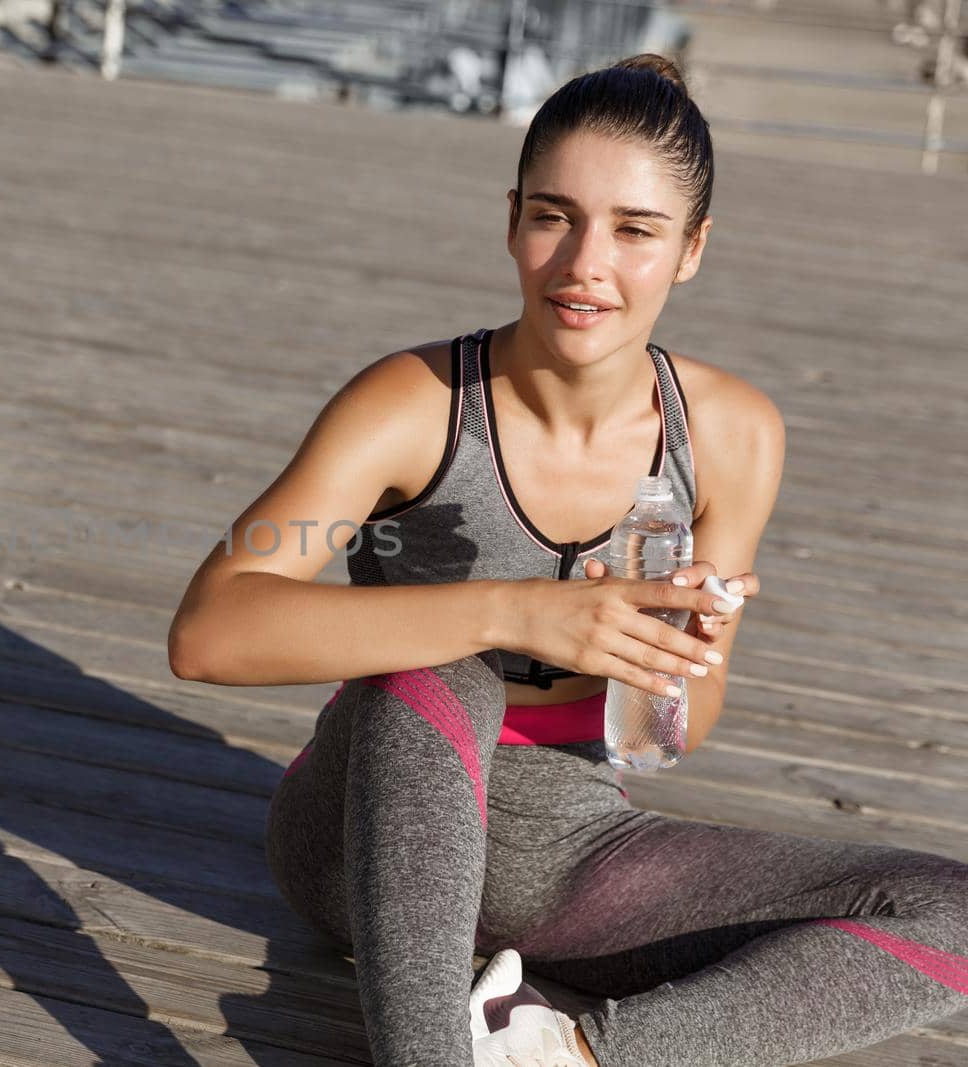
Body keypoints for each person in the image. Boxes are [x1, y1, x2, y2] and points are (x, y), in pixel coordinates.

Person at [167, 53, 968, 1067]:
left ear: (691, 248)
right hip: (366, 828)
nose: (585, 263)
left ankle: (566, 1054)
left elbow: (668, 739)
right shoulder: (413, 404)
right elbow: (208, 628)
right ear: (511, 221)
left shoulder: (730, 432)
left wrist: (680, 653)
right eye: (554, 216)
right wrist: (515, 611)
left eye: (635, 230)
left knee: (949, 910)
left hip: (573, 852)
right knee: (438, 659)